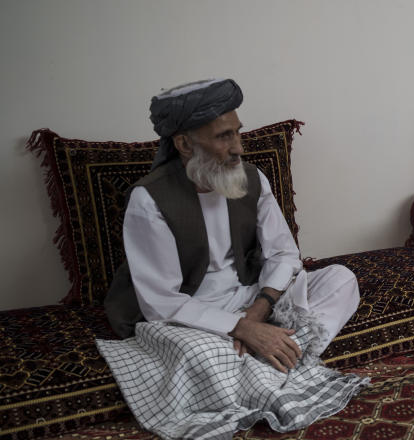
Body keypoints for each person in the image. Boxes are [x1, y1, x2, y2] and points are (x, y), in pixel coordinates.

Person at [105, 78, 359, 372]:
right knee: (195, 353)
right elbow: (161, 302)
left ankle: (267, 357)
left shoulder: (251, 177)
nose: (238, 148)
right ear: (184, 144)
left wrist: (256, 313)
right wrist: (237, 327)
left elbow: (284, 254)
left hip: (251, 295)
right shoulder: (149, 199)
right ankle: (277, 363)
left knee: (341, 280)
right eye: (224, 137)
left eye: (238, 133)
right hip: (192, 313)